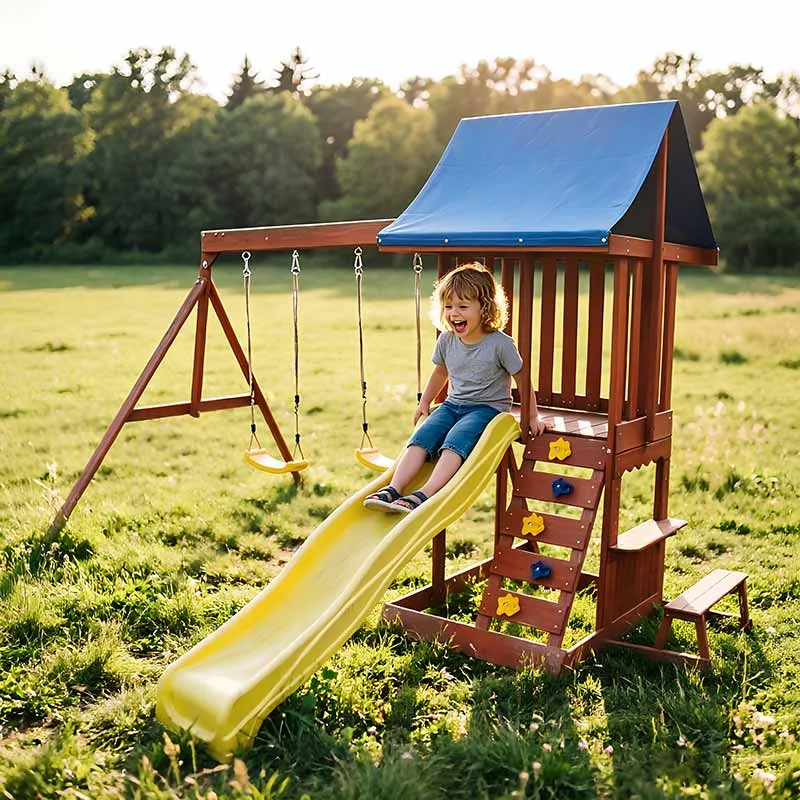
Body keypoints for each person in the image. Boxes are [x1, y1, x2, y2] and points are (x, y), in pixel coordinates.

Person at [364, 262, 547, 514]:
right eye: (448, 306)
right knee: (422, 437)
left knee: (455, 440)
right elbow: (441, 372)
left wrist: (532, 415)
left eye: (462, 306)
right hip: (452, 405)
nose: (454, 313)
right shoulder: (447, 339)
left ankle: (424, 493)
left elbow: (522, 379)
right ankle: (394, 488)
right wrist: (424, 402)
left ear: (484, 308)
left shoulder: (500, 344)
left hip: (486, 410)